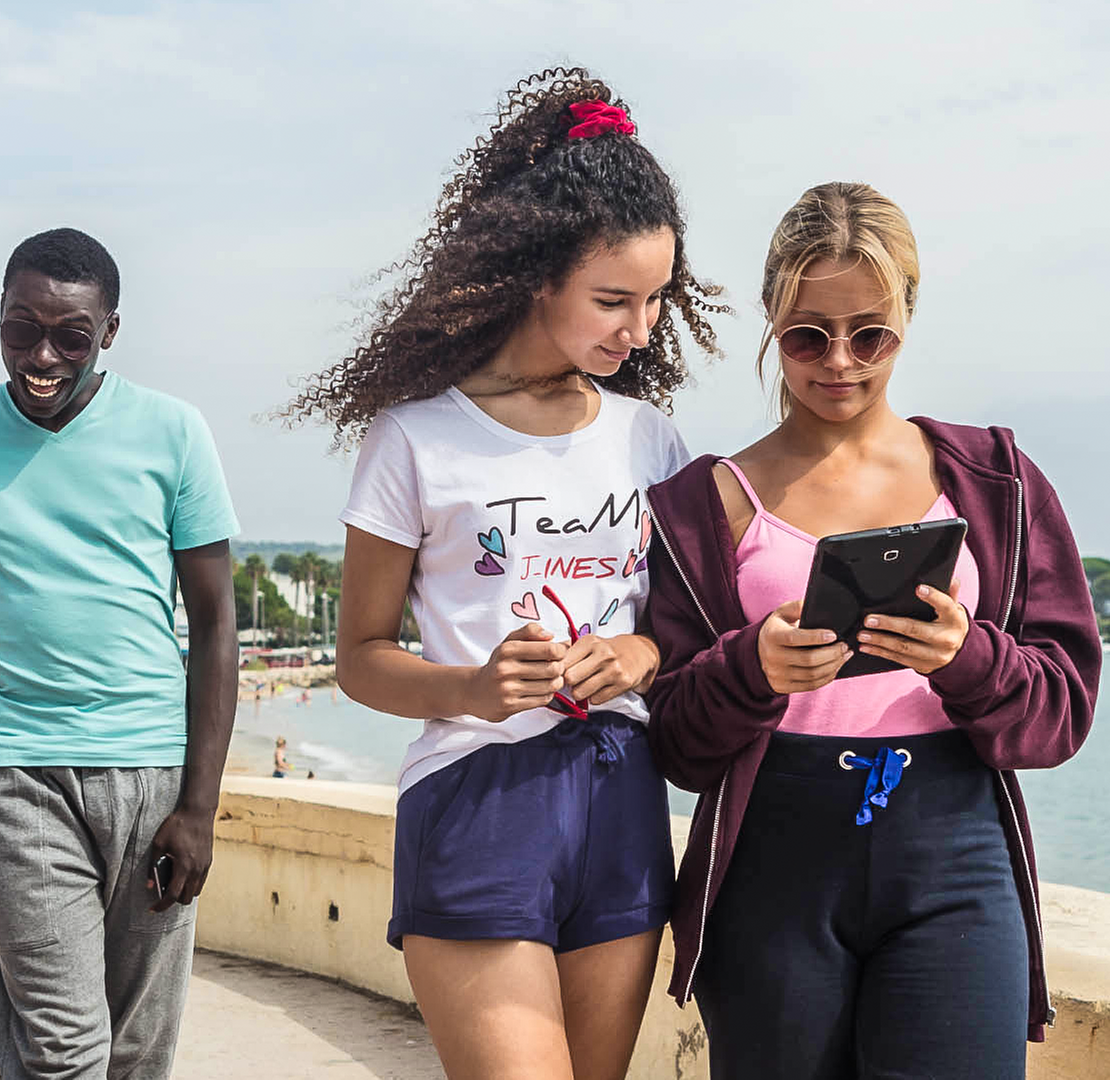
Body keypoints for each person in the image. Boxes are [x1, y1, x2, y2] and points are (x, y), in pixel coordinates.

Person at [287, 69, 721, 1080]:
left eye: (657, 299)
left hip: (622, 802)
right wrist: (475, 689)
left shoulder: (651, 440)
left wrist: (643, 651)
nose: (642, 328)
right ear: (537, 276)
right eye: (614, 300)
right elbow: (359, 658)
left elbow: (684, 631)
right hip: (478, 802)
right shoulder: (413, 440)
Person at [643, 183, 1102, 1078]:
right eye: (808, 334)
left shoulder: (996, 481)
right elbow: (675, 745)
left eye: (872, 334)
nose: (840, 361)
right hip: (769, 860)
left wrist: (966, 657)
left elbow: (1063, 713)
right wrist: (754, 667)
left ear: (908, 321)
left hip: (956, 850)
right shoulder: (703, 505)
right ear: (772, 321)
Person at [0, 227, 240, 1079]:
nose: (42, 355)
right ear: (0, 320)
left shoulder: (174, 434)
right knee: (63, 1056)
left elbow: (216, 625)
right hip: (22, 780)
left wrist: (199, 808)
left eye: (71, 336)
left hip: (153, 777)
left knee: (136, 1054)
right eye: (22, 329)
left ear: (109, 333)